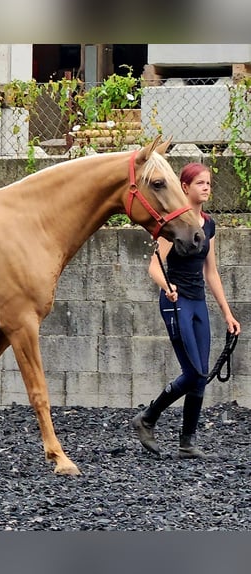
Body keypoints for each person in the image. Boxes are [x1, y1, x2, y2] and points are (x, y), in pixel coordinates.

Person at [131, 162, 241, 459]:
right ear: (184, 188)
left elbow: (212, 273)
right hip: (176, 301)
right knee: (194, 372)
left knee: (200, 373)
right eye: (200, 183)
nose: (207, 187)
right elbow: (154, 266)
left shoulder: (208, 224)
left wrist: (227, 314)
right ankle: (147, 418)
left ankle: (187, 443)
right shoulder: (173, 224)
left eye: (209, 183)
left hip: (198, 303)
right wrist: (167, 287)